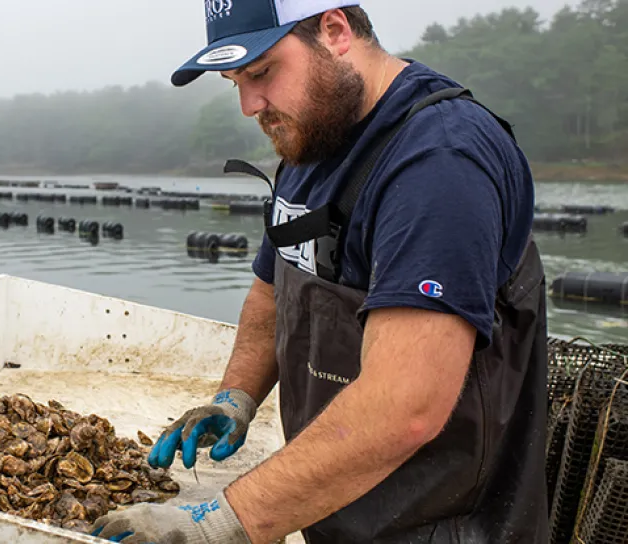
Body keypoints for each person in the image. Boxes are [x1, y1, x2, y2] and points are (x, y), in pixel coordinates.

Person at [91, 1, 549, 543]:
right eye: (234, 81)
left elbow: (407, 406)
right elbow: (272, 290)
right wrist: (235, 397)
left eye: (261, 73)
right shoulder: (314, 138)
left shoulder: (440, 161)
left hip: (443, 528)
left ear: (333, 31)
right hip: (333, 509)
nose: (248, 105)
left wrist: (219, 524)